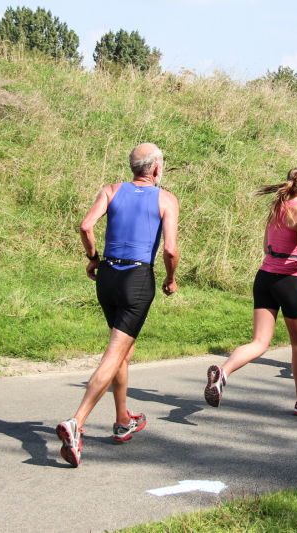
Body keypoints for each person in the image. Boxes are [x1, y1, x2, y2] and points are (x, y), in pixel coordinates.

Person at [56, 143, 179, 467]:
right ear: (155, 169)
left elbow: (86, 226)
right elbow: (170, 250)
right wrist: (170, 278)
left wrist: (93, 259)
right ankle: (76, 422)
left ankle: (123, 419)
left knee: (123, 348)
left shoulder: (111, 190)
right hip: (137, 281)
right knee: (114, 353)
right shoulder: (166, 199)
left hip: (108, 275)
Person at [204, 168, 297, 415]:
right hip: (288, 280)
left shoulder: (276, 208)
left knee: (259, 342)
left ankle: (223, 374)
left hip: (264, 277)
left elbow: (267, 246)